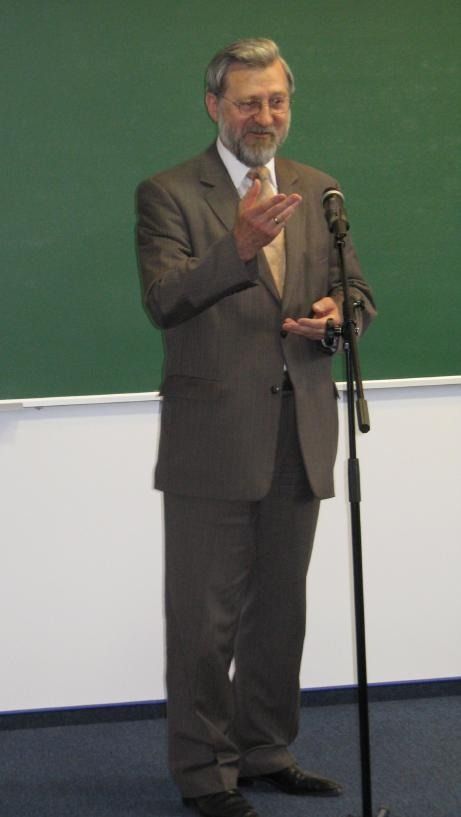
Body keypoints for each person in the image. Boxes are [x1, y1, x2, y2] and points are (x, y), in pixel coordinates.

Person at [136, 38, 376, 817]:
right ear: (215, 105)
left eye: (275, 100)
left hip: (298, 428)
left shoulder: (318, 189)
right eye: (247, 102)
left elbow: (357, 293)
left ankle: (266, 749)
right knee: (204, 621)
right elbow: (164, 298)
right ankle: (205, 772)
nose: (263, 116)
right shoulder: (169, 193)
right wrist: (236, 247)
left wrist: (337, 318)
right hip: (211, 439)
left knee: (279, 610)